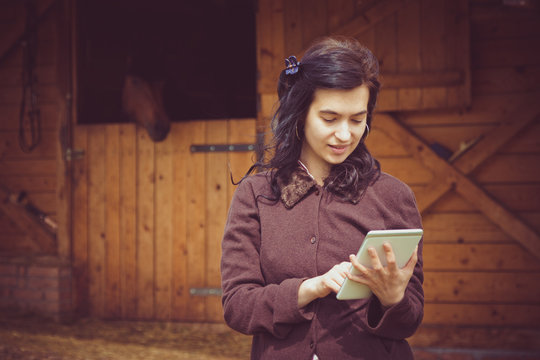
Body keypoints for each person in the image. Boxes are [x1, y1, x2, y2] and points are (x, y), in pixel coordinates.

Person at [220, 36, 423, 360]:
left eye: (357, 120)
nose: (345, 134)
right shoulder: (255, 196)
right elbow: (237, 306)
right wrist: (308, 290)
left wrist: (393, 298)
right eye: (330, 119)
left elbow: (410, 319)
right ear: (300, 113)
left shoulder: (392, 196)